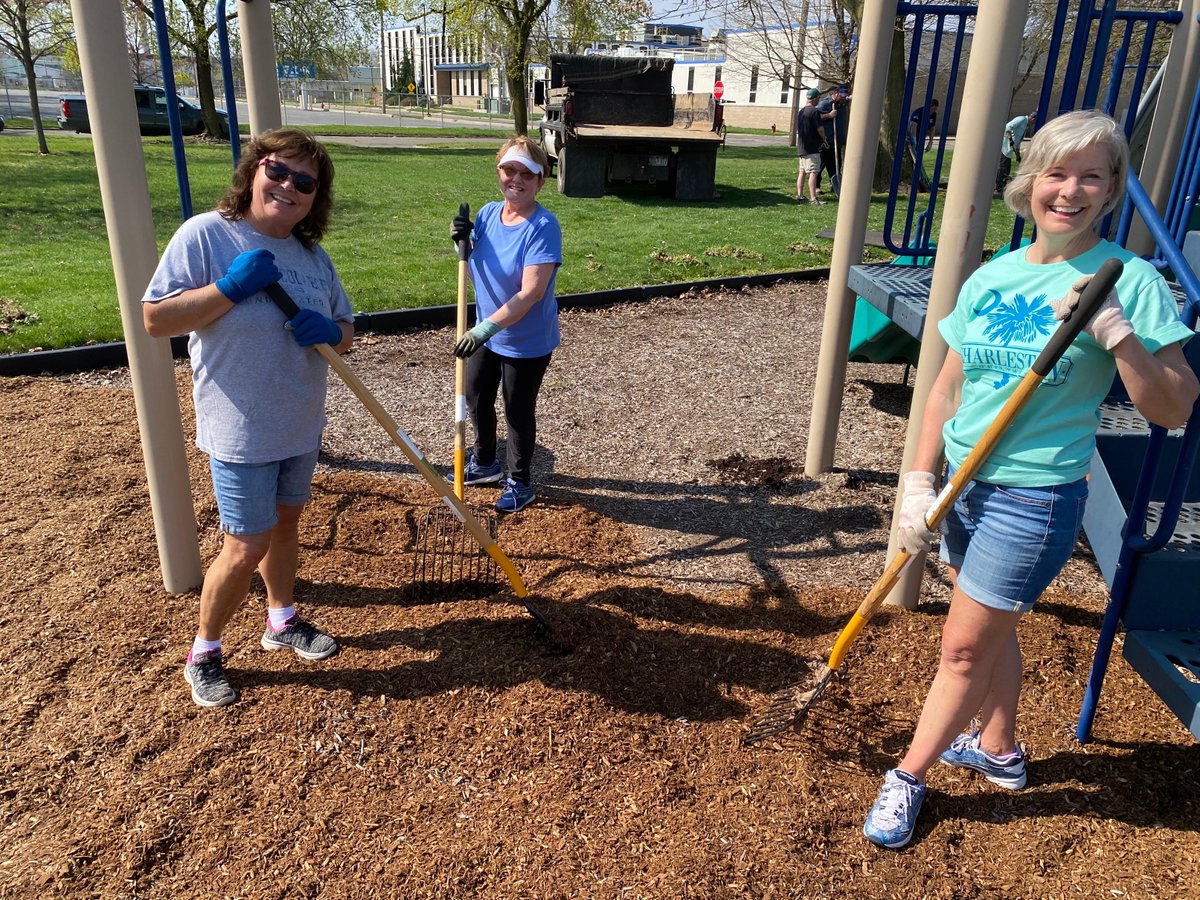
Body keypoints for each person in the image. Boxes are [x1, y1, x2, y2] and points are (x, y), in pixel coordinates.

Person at [862, 110, 1198, 850]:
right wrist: (918, 482)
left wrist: (1117, 334)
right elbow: (946, 387)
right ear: (1030, 182)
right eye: (1056, 172)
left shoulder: (1128, 280)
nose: (1069, 190)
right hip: (965, 483)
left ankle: (909, 775)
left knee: (960, 651)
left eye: (1090, 176)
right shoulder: (996, 273)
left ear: (1110, 190)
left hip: (1033, 496)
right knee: (992, 627)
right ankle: (999, 747)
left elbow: (1173, 406)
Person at [142, 128, 354, 709]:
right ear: (254, 171)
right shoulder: (208, 235)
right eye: (278, 172)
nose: (288, 187)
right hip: (239, 427)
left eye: (304, 182)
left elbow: (347, 330)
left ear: (316, 198)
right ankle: (203, 651)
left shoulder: (312, 256)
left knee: (286, 527)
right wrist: (229, 288)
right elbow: (156, 320)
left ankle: (281, 622)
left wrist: (330, 332)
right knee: (245, 544)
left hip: (299, 422)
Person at [449, 136, 563, 514]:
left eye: (527, 173)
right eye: (509, 170)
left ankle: (520, 481)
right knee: (476, 395)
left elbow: (530, 293)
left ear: (540, 180)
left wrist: (483, 330)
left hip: (525, 339)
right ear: (498, 172)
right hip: (488, 328)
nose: (517, 179)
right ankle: (485, 463)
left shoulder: (543, 227)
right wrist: (460, 243)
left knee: (517, 408)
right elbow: (474, 259)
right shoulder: (486, 213)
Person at [795, 88, 828, 204]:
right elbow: (820, 129)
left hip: (801, 147)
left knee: (802, 172)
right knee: (813, 172)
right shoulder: (814, 111)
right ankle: (813, 198)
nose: (819, 100)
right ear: (814, 99)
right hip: (812, 148)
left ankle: (799, 195)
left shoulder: (801, 112)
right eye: (818, 98)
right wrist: (824, 139)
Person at [816, 85, 850, 196]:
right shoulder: (824, 104)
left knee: (836, 165)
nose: (843, 98)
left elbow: (849, 99)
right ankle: (816, 186)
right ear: (835, 93)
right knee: (819, 166)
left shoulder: (842, 103)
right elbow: (816, 118)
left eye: (844, 96)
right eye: (841, 95)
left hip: (836, 142)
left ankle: (834, 185)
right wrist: (829, 115)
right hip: (825, 141)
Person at [996, 111, 1035, 194]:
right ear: (1031, 118)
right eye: (1033, 121)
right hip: (1005, 147)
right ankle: (999, 188)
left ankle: (1001, 186)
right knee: (1003, 167)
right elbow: (1007, 127)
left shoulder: (1025, 126)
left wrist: (1018, 155)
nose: (1033, 124)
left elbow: (1018, 141)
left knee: (1007, 168)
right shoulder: (1021, 119)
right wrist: (1010, 140)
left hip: (1009, 150)